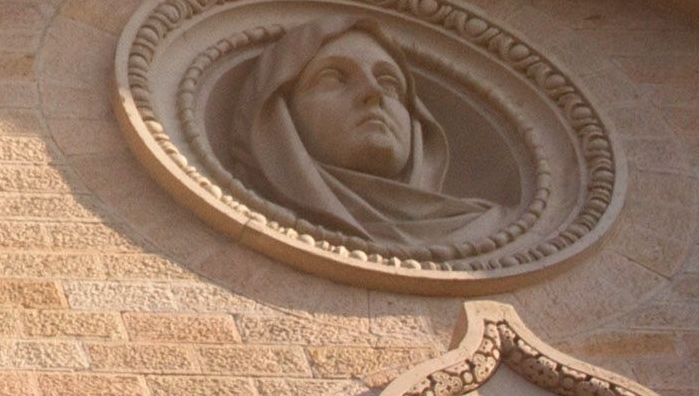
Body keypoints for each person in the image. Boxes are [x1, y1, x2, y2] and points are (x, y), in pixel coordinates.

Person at [217, 14, 510, 252]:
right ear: (278, 117)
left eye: (389, 82)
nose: (373, 92)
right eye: (333, 77)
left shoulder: (483, 226)